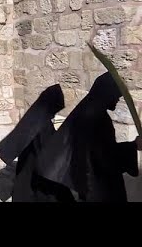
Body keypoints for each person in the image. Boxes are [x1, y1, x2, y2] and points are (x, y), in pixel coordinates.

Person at [36, 72, 142, 202]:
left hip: (89, 181)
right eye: (117, 95)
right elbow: (105, 156)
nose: (118, 99)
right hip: (99, 186)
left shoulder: (87, 110)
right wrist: (134, 145)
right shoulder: (96, 118)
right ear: (107, 93)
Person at [0, 84, 75, 202]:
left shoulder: (37, 115)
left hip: (30, 169)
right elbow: (47, 151)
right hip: (36, 172)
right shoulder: (43, 124)